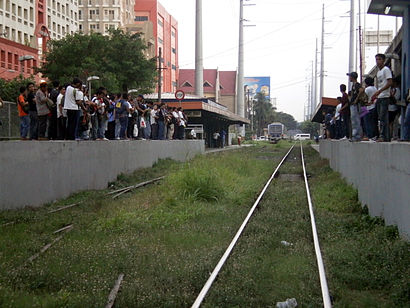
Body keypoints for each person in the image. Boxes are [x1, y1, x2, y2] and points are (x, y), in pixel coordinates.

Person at [373, 53, 393, 142]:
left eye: (379, 59)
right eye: (376, 59)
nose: (377, 61)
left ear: (383, 60)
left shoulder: (386, 70)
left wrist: (380, 91)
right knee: (380, 117)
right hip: (380, 97)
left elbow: (389, 82)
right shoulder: (378, 72)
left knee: (383, 117)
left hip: (385, 96)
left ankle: (384, 136)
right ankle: (383, 136)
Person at [347, 72, 363, 141]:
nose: (349, 78)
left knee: (355, 120)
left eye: (350, 76)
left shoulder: (356, 85)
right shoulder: (353, 85)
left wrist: (356, 99)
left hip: (355, 105)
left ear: (352, 77)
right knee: (354, 120)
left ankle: (356, 136)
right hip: (353, 104)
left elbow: (361, 90)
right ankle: (356, 135)